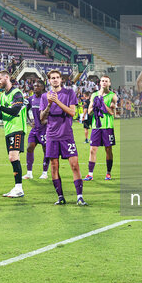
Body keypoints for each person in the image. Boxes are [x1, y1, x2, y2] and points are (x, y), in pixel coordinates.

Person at [40, 70, 86, 206]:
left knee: (75, 165)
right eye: (52, 78)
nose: (55, 80)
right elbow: (42, 117)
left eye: (57, 78)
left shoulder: (69, 93)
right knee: (54, 167)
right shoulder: (44, 96)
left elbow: (72, 112)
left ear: (61, 80)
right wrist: (49, 104)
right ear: (49, 81)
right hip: (52, 136)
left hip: (67, 135)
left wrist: (56, 101)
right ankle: (60, 197)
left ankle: (79, 196)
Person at [0, 70, 27, 198]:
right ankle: (17, 187)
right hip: (8, 130)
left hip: (17, 128)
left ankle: (19, 188)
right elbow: (3, 116)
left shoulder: (17, 93)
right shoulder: (3, 95)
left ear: (7, 77)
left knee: (13, 157)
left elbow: (15, 111)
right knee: (14, 158)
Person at [84, 75, 118, 181]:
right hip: (96, 126)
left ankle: (108, 173)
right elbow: (89, 112)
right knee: (92, 150)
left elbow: (114, 113)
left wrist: (103, 105)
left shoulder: (113, 96)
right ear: (100, 83)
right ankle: (90, 174)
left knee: (108, 149)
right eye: (102, 81)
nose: (104, 82)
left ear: (109, 83)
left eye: (106, 81)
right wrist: (95, 105)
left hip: (108, 126)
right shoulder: (94, 95)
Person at [23, 80, 50, 180]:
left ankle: (44, 172)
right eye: (34, 86)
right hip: (35, 129)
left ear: (42, 87)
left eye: (38, 86)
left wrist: (47, 121)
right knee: (29, 148)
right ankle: (29, 173)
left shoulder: (47, 98)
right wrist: (29, 122)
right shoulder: (31, 99)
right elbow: (25, 110)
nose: (35, 88)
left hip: (45, 129)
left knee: (45, 150)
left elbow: (54, 112)